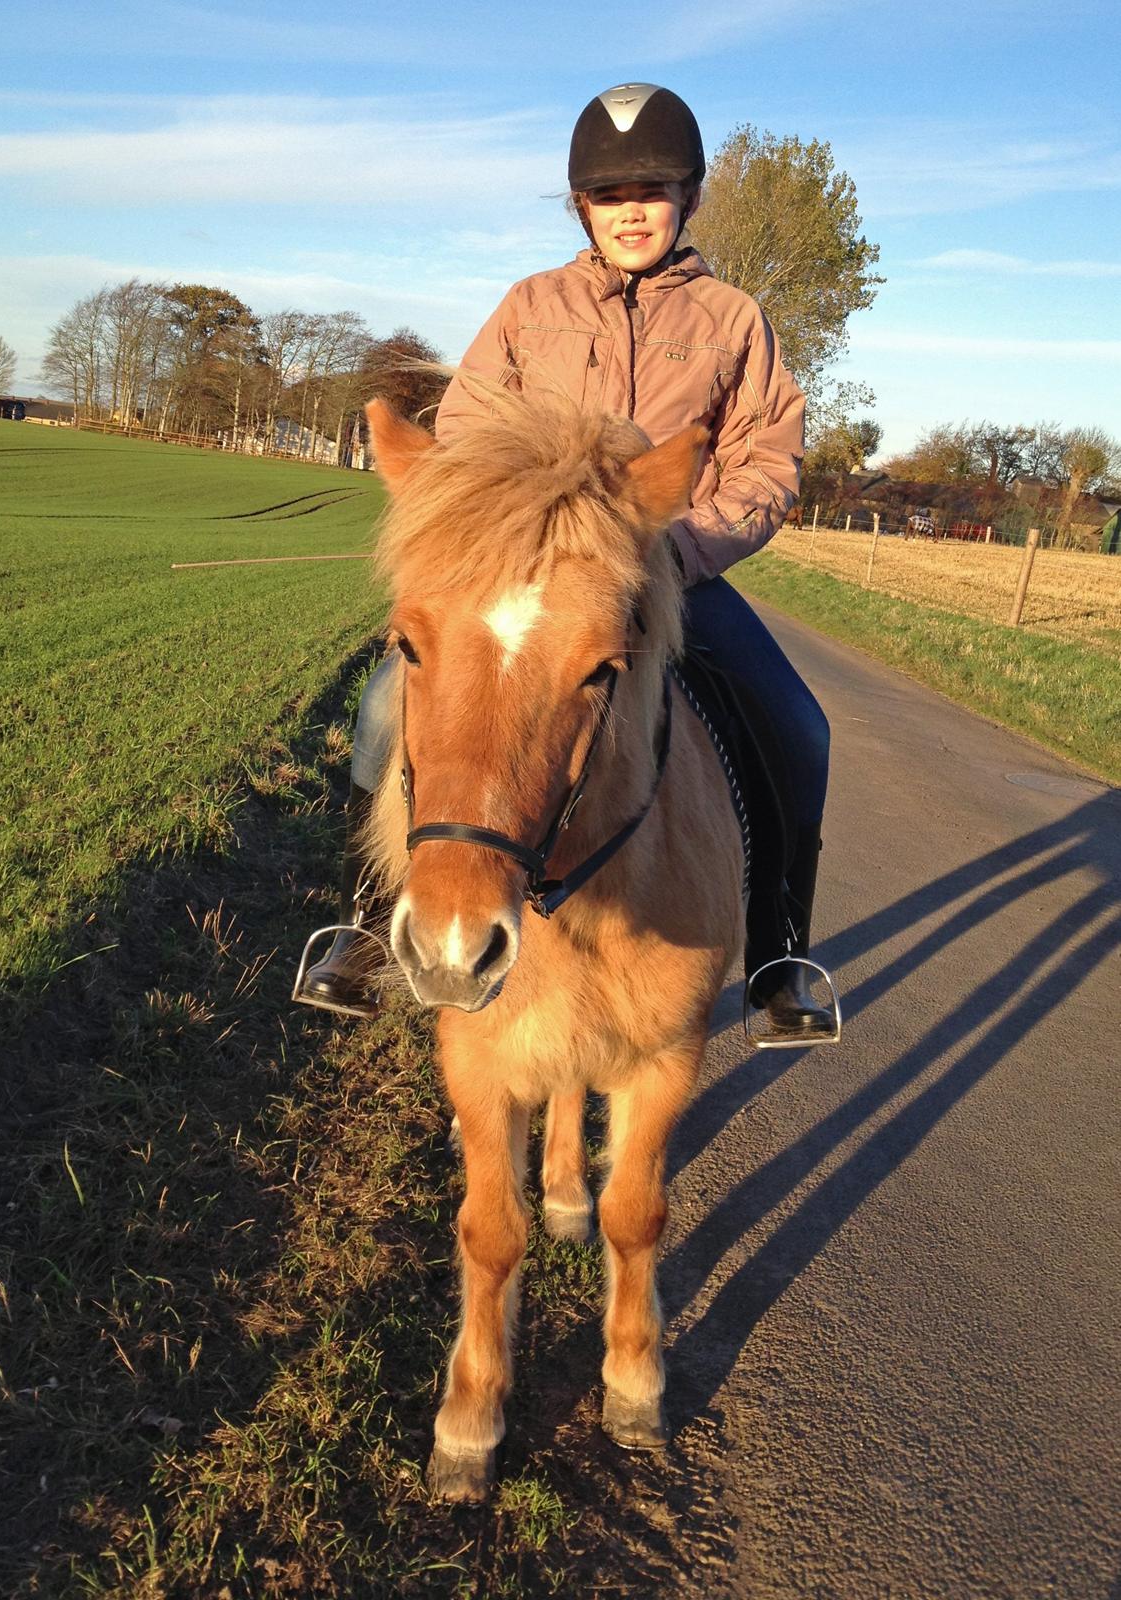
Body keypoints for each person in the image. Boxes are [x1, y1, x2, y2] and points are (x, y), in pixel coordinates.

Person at [295, 82, 835, 1044]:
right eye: (609, 191)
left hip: (670, 570)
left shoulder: (735, 320)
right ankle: (360, 925)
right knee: (385, 706)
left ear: (691, 198)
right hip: (529, 580)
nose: (633, 208)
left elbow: (764, 460)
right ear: (581, 205)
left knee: (796, 727)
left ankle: (777, 954)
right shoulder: (528, 306)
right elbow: (459, 442)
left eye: (655, 188)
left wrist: (672, 547)